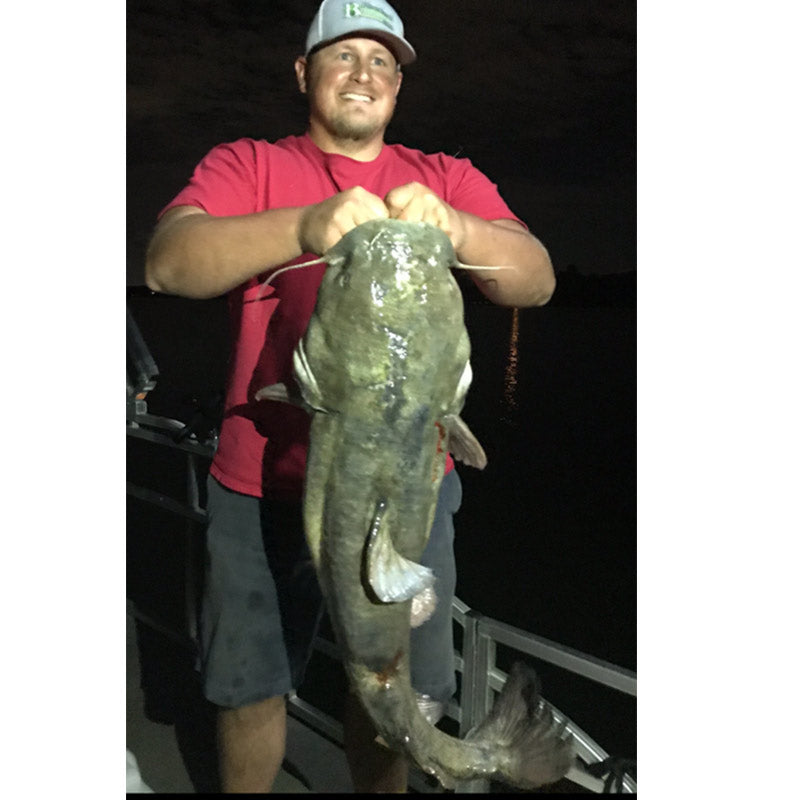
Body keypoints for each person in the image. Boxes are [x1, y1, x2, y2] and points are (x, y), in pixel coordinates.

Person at [145, 0, 556, 792]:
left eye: (383, 62)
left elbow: (533, 280)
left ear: (398, 86)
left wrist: (462, 232)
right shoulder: (249, 165)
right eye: (343, 56)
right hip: (258, 489)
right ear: (304, 73)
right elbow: (169, 262)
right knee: (250, 692)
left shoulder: (445, 175)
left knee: (388, 699)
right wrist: (303, 226)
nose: (364, 74)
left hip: (409, 503)